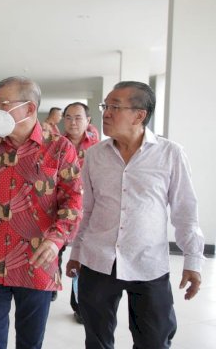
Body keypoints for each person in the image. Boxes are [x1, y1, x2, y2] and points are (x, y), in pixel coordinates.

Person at [66, 81, 204, 349]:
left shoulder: (170, 154)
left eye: (115, 107)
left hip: (148, 263)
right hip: (98, 261)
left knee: (154, 340)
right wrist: (76, 253)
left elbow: (185, 210)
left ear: (140, 115)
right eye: (106, 106)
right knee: (96, 339)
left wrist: (193, 260)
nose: (106, 113)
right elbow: (89, 210)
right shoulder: (95, 155)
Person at [0, 76, 83, 349]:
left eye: (4, 105)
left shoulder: (60, 149)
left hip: (36, 262)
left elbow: (72, 202)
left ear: (29, 109)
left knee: (30, 342)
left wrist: (56, 239)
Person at [58, 101, 99, 321]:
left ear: (88, 121)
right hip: (60, 210)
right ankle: (50, 286)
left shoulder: (97, 145)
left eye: (78, 118)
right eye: (69, 118)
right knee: (55, 253)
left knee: (82, 260)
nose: (73, 122)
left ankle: (79, 305)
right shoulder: (55, 144)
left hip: (87, 211)